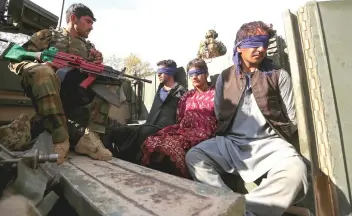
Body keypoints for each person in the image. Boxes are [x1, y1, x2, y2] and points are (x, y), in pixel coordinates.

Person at [185, 21, 308, 216]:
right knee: (195, 156)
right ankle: (233, 205)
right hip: (231, 143)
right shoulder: (224, 78)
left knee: (296, 170)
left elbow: (292, 117)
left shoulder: (278, 76)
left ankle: (236, 208)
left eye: (264, 43)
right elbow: (219, 113)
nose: (261, 49)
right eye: (254, 43)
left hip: (270, 144)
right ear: (239, 47)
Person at [6, 3, 113, 164]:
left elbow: (91, 75)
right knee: (43, 72)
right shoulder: (47, 36)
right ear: (73, 18)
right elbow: (15, 59)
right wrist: (41, 65)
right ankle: (60, 139)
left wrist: (96, 65)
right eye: (88, 21)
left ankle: (91, 137)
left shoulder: (88, 47)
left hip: (76, 94)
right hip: (48, 89)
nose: (91, 27)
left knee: (111, 77)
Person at [140, 58, 217, 177]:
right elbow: (179, 118)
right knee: (153, 140)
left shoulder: (215, 95)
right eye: (191, 74)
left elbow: (222, 119)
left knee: (170, 146)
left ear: (206, 74)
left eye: (198, 73)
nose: (194, 77)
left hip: (205, 135)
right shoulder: (187, 96)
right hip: (184, 131)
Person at [102, 59, 187, 163]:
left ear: (171, 72)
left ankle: (135, 162)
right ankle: (118, 158)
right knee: (118, 131)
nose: (158, 74)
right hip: (149, 124)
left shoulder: (181, 92)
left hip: (164, 130)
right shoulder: (160, 90)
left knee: (144, 133)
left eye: (162, 71)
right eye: (158, 71)